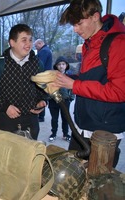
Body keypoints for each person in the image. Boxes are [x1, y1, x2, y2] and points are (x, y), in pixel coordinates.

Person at [55, 0, 125, 167]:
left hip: (104, 132)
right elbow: (94, 79)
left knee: (97, 185)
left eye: (79, 23)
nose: (75, 29)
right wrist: (66, 79)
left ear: (95, 16)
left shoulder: (118, 44)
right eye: (73, 24)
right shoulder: (89, 43)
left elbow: (119, 91)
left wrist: (74, 85)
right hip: (83, 125)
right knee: (72, 175)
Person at [0, 24, 47, 140]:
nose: (29, 44)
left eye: (30, 40)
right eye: (24, 40)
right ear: (12, 43)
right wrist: (5, 107)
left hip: (31, 122)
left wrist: (42, 101)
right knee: (8, 155)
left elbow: (43, 89)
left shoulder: (38, 64)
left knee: (29, 155)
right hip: (7, 122)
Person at [48, 57, 74, 142]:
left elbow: (73, 88)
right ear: (56, 66)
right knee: (54, 118)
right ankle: (53, 133)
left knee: (65, 118)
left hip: (65, 100)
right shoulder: (52, 76)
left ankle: (65, 134)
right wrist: (49, 97)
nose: (61, 66)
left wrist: (71, 98)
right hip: (54, 101)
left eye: (63, 64)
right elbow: (47, 88)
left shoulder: (69, 76)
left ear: (66, 65)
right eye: (59, 64)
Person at [34, 39, 53, 122]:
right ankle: (41, 116)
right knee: (42, 95)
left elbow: (40, 64)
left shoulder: (44, 51)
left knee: (40, 96)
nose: (36, 48)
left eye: (36, 46)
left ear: (40, 43)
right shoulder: (47, 50)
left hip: (42, 76)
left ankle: (41, 116)